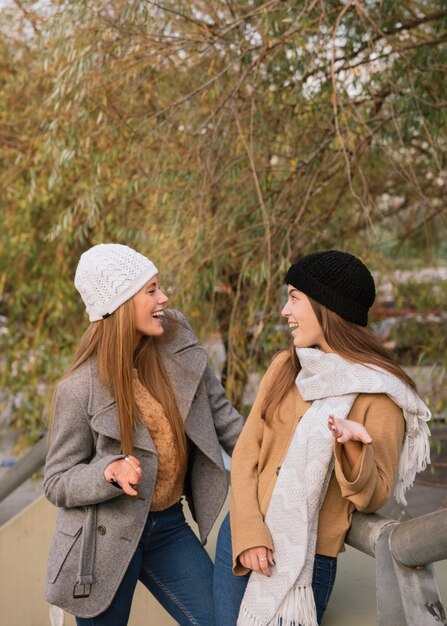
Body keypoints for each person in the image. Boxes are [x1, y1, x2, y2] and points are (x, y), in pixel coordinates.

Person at [213, 250, 431, 626]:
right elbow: (248, 452)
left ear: (326, 307)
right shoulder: (287, 366)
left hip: (308, 561)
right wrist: (248, 531)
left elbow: (375, 494)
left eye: (295, 298)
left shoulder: (381, 393)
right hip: (243, 538)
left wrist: (352, 448)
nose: (285, 310)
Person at [44, 243, 244, 626]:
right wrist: (107, 472)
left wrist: (282, 457)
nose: (163, 298)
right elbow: (56, 481)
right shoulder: (78, 388)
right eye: (150, 290)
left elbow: (224, 420)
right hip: (101, 542)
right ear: (118, 307)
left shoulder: (176, 335)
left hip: (168, 527)